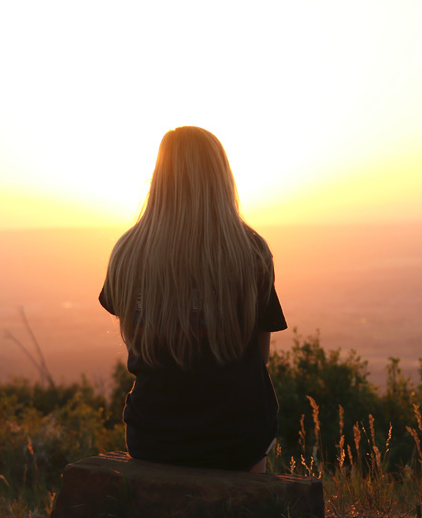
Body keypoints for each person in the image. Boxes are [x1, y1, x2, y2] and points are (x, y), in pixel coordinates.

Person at [99, 126, 287, 473]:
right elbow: (260, 357)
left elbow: (135, 337)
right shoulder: (252, 253)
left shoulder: (127, 253)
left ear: (159, 178)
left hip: (153, 437)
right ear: (221, 179)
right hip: (237, 439)